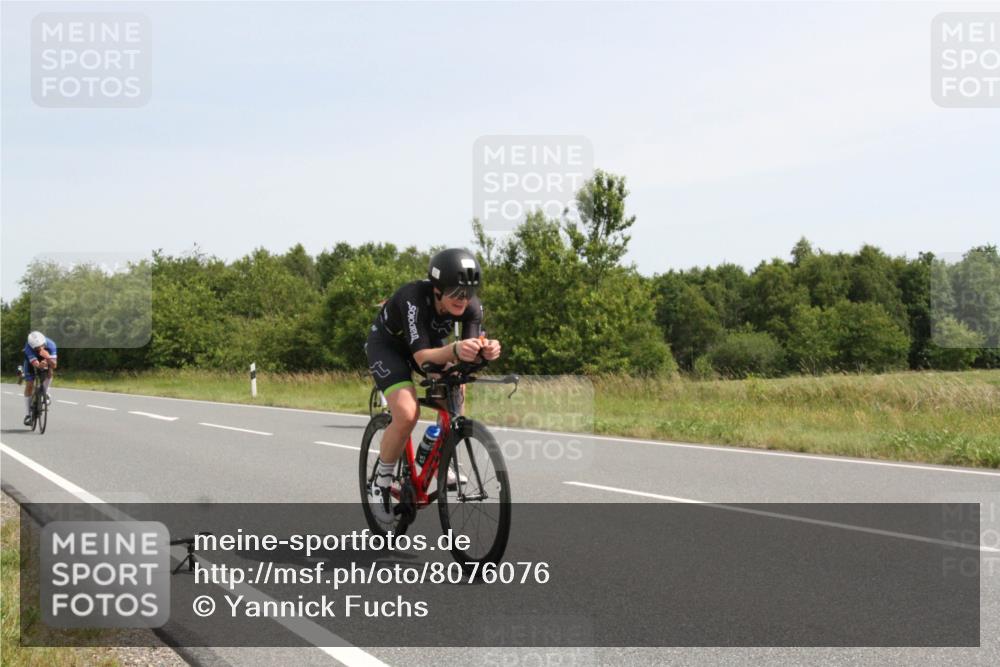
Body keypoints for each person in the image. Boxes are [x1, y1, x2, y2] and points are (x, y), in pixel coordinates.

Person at [364, 248, 501, 522]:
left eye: (469, 292)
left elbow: (465, 356)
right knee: (406, 413)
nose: (464, 299)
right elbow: (422, 357)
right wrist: (455, 349)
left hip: (428, 346)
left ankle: (439, 448)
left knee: (456, 386)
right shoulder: (413, 299)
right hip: (389, 348)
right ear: (437, 289)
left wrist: (486, 351)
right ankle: (381, 481)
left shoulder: (471, 307)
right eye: (456, 292)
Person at [22, 331, 57, 426]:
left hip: (46, 358)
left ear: (44, 342)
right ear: (33, 347)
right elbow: (35, 363)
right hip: (30, 362)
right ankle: (28, 414)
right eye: (37, 348)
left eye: (42, 345)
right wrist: (39, 365)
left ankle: (46, 392)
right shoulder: (28, 347)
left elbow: (54, 365)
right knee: (29, 384)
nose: (40, 348)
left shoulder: (51, 345)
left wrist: (48, 358)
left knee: (50, 372)